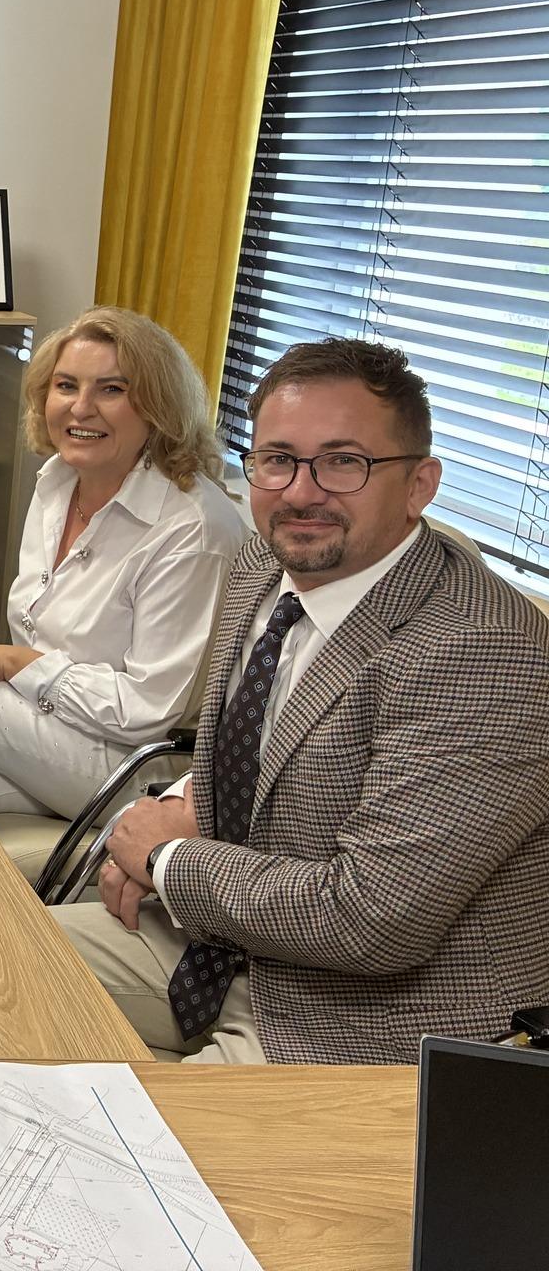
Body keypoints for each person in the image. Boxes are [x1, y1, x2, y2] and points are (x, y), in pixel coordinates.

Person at [54, 337, 549, 1063]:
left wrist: (164, 858)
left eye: (344, 462)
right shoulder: (266, 559)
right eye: (278, 459)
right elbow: (266, 736)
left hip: (362, 1016)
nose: (300, 492)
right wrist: (179, 804)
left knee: (114, 1133)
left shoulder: (481, 652)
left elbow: (371, 920)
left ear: (420, 484)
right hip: (221, 945)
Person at [0, 308, 247, 871]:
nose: (81, 408)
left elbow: (148, 711)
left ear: (158, 405)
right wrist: (21, 672)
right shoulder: (59, 481)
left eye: (111, 389)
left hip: (139, 768)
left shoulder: (193, 529)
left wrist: (17, 664)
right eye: (66, 386)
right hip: (55, 734)